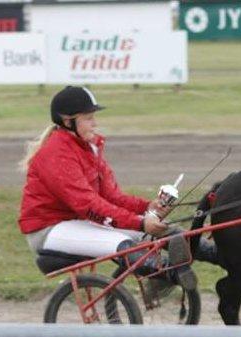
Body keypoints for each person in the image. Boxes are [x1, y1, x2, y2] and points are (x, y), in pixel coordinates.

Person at [18, 85, 217, 291]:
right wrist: (140, 224)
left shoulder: (88, 148)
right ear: (68, 121)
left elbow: (112, 197)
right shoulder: (57, 154)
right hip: (48, 230)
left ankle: (219, 255)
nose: (95, 123)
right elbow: (88, 205)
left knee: (168, 231)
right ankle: (168, 275)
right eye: (88, 118)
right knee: (124, 243)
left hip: (79, 222)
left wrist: (148, 207)